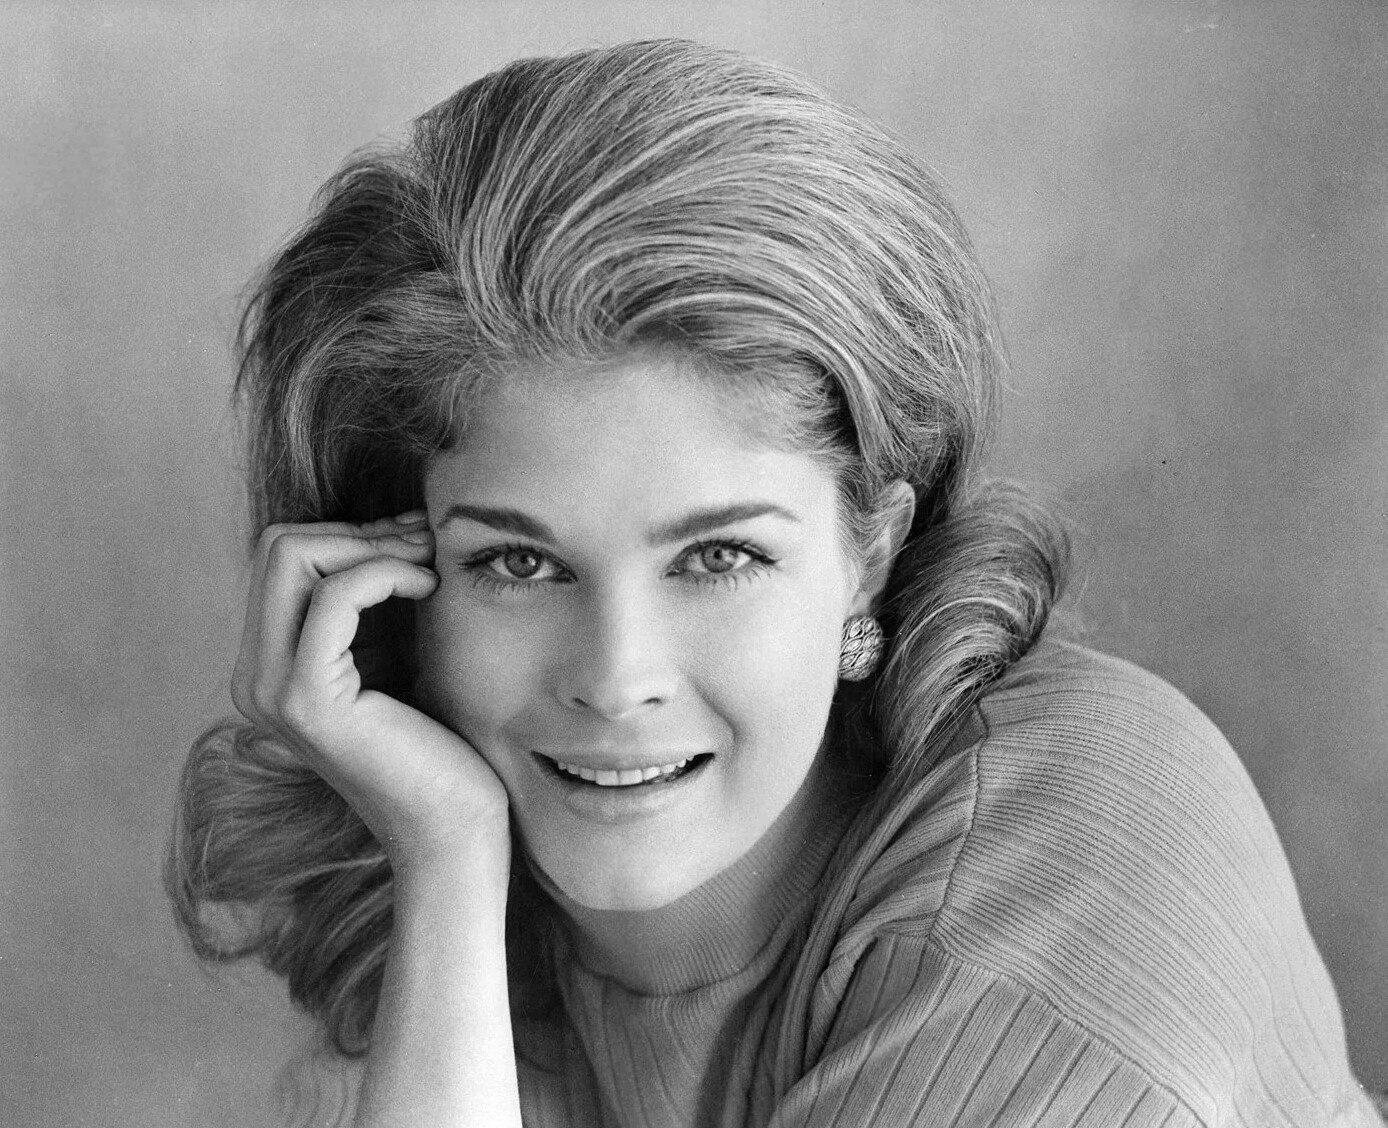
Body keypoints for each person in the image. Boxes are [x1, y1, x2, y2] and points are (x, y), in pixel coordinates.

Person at [165, 38, 1384, 1128]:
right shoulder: (470, 919)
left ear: (871, 553)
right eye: (517, 563)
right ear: (399, 586)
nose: (614, 678)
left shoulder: (1067, 864)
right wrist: (446, 854)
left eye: (718, 558)